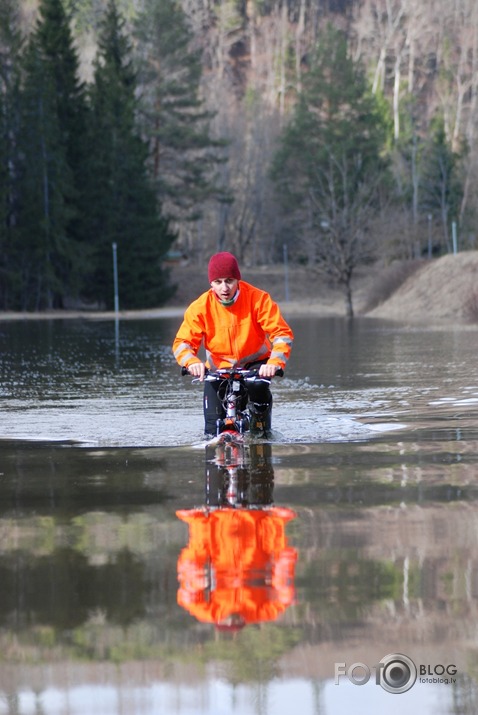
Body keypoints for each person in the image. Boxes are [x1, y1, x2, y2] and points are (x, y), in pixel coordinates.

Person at [172, 251, 294, 435]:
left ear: (238, 279)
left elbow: (282, 334)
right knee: (212, 430)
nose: (224, 287)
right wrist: (192, 363)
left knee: (258, 388)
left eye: (229, 280)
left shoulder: (258, 299)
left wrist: (274, 364)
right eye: (218, 282)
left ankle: (261, 431)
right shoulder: (200, 307)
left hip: (255, 366)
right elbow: (183, 343)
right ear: (211, 283)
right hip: (218, 370)